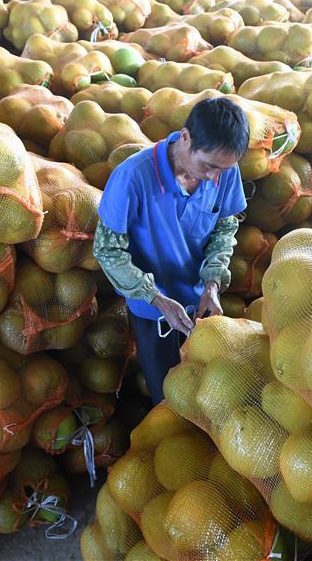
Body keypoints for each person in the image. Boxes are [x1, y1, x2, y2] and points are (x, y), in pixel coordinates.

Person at [93, 97, 249, 403]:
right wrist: (156, 298)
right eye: (209, 166)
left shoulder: (225, 172)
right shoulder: (133, 177)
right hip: (153, 310)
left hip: (202, 301)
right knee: (168, 396)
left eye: (224, 169)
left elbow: (224, 226)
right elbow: (108, 250)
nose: (215, 177)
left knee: (211, 393)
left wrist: (213, 282)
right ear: (186, 137)